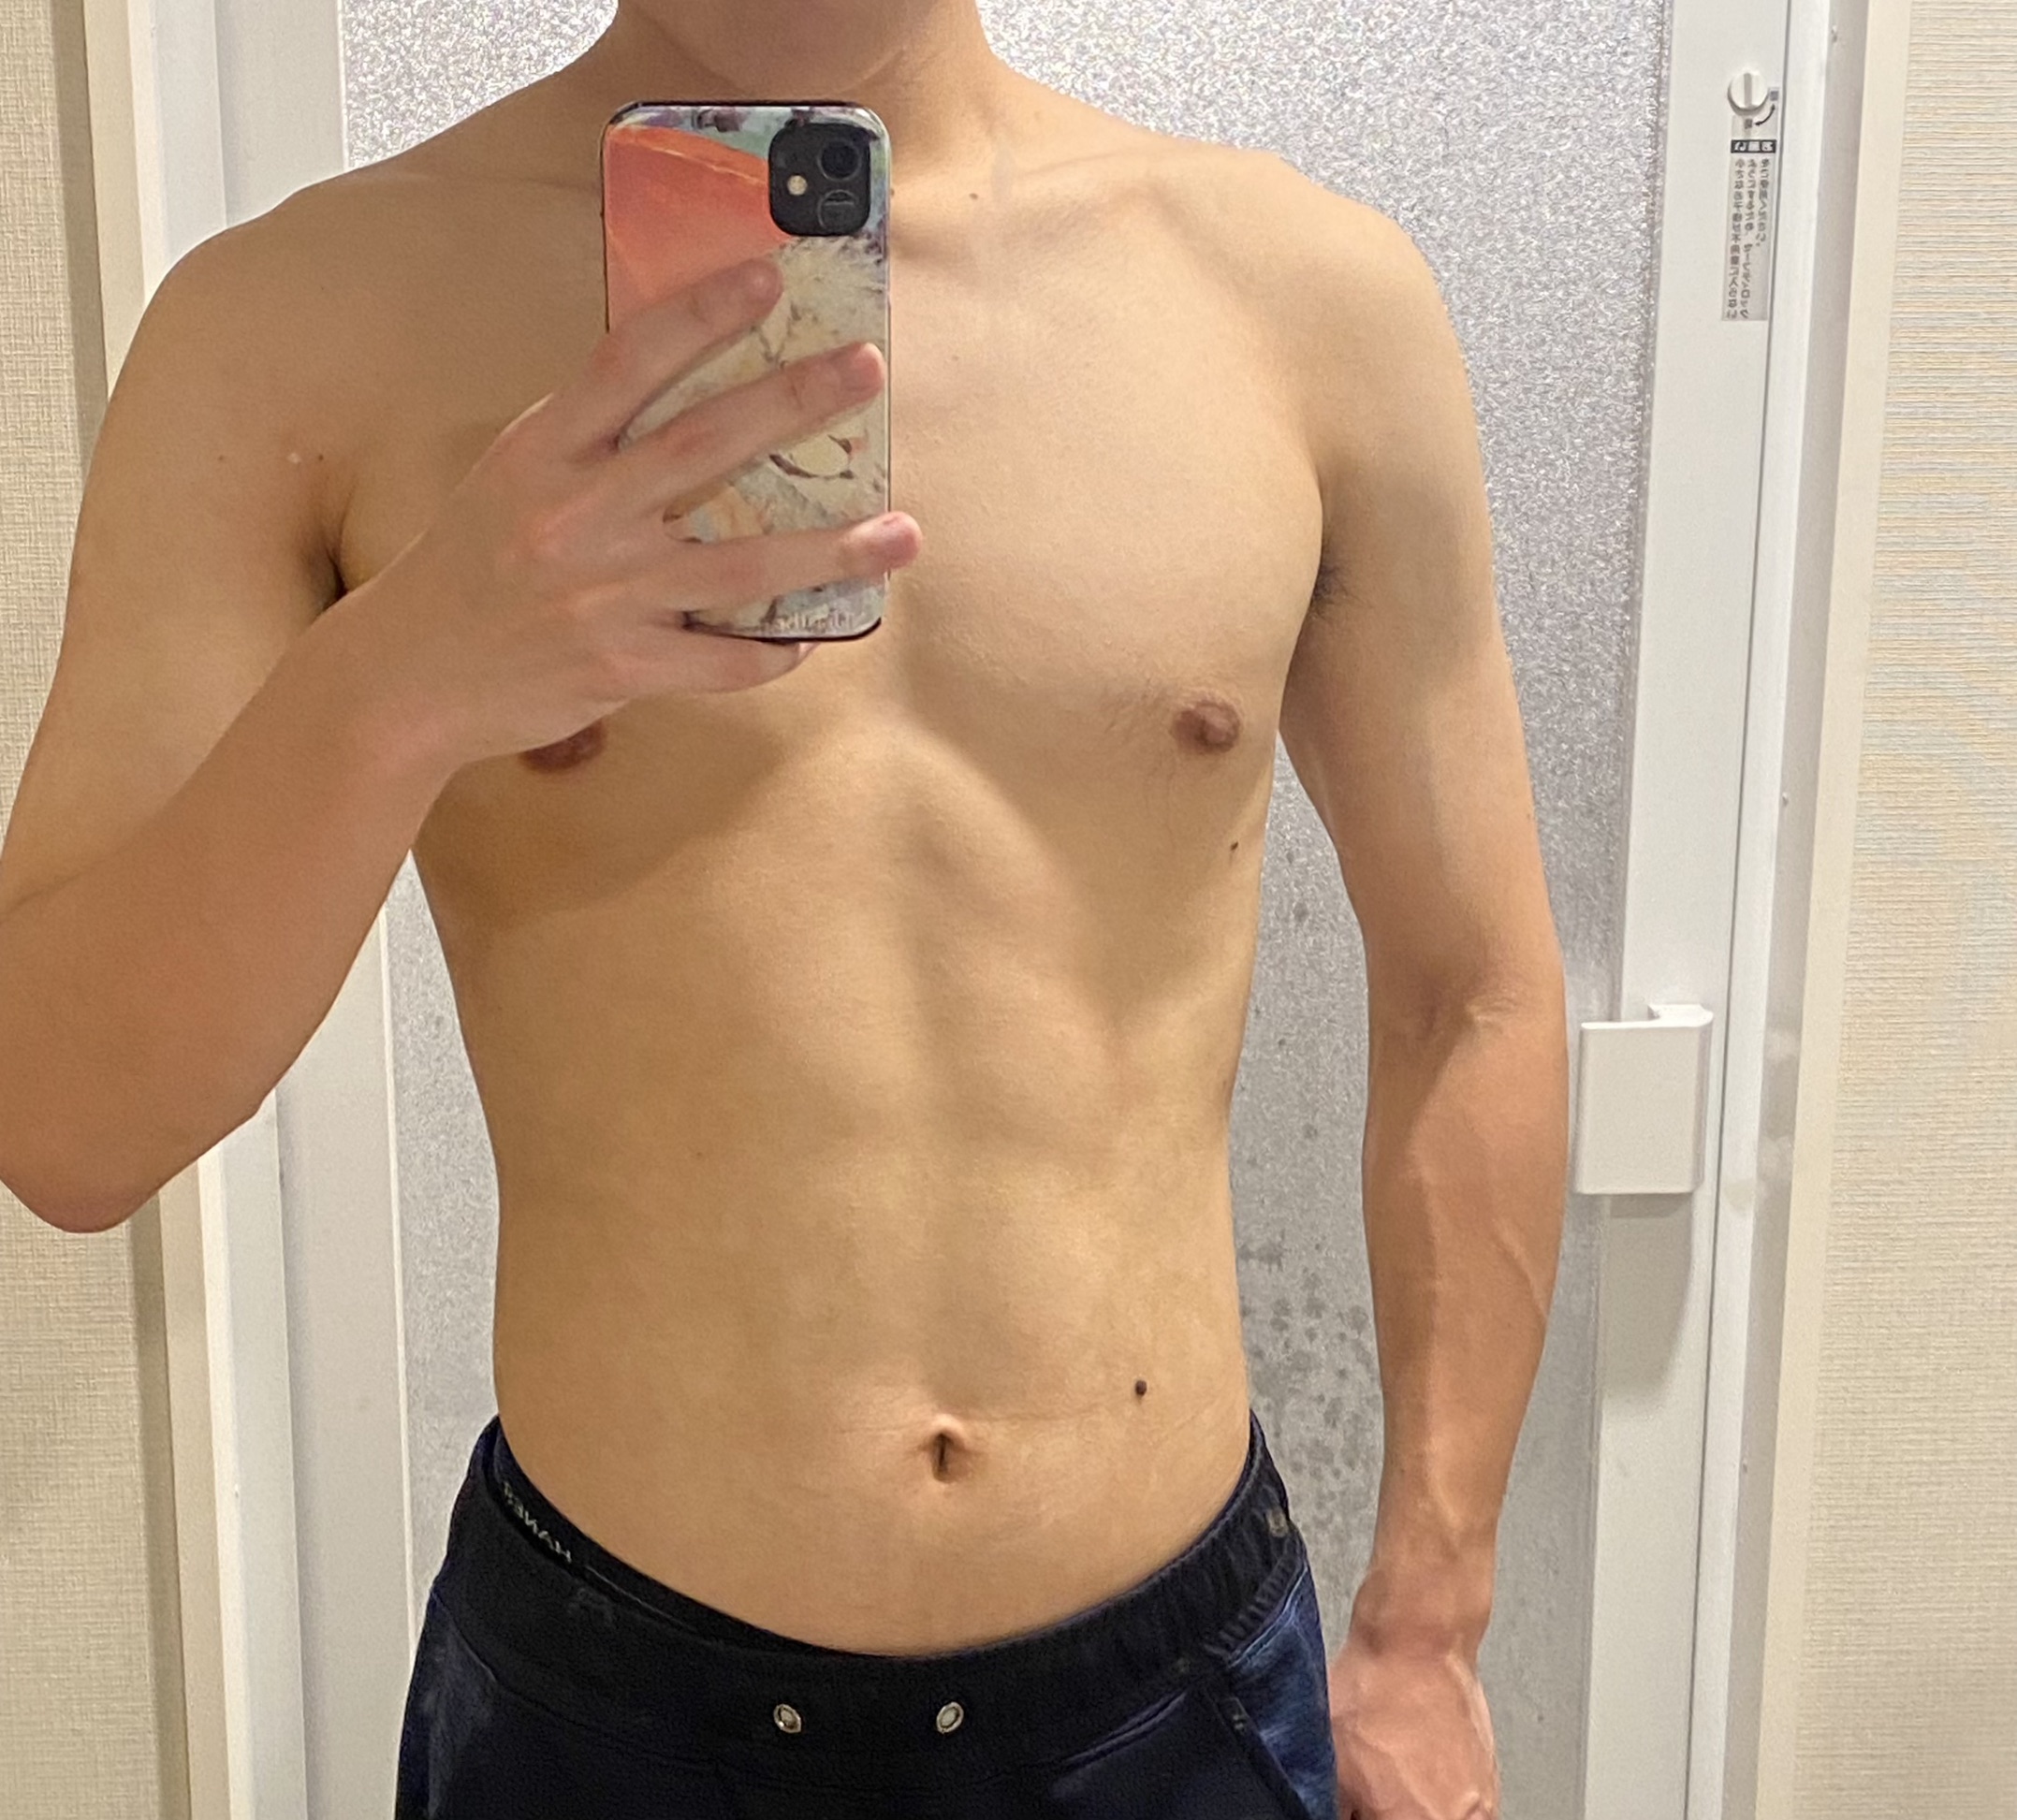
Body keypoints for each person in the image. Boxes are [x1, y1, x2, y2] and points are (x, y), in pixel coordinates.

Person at [0, 0, 1569, 1814]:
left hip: (1168, 1701)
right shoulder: (296, 327)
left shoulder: (1301, 300)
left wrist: (1429, 1623)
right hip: (610, 1712)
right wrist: (408, 672)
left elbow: (1474, 990)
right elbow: (65, 1123)